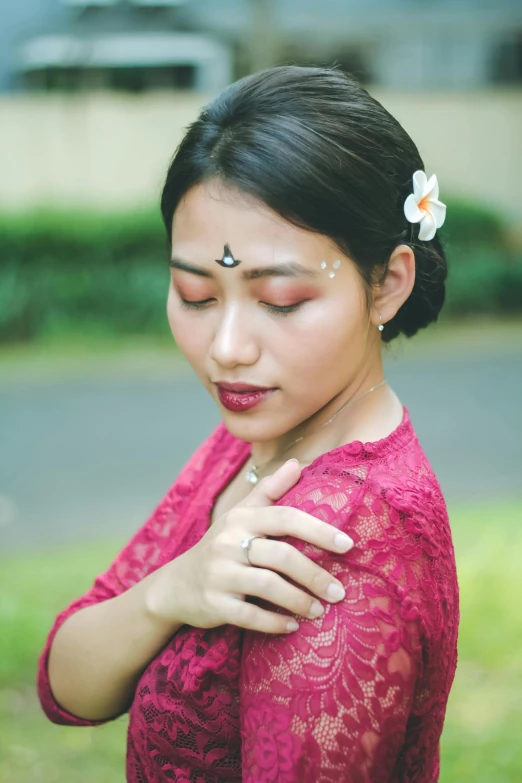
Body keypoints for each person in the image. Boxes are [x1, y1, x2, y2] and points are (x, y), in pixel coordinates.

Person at [37, 66, 459, 782]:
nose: (228, 348)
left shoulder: (340, 543)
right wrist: (172, 590)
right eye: (196, 295)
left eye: (283, 299)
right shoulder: (255, 440)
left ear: (388, 282)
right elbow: (65, 681)